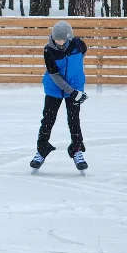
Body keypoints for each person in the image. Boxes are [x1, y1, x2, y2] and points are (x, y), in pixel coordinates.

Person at [31, 20, 88, 172]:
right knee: (48, 119)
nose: (59, 42)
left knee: (74, 120)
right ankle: (42, 149)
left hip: (75, 86)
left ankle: (77, 150)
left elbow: (81, 56)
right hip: (54, 88)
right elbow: (55, 76)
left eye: (63, 39)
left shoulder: (79, 45)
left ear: (69, 38)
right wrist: (72, 92)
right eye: (57, 39)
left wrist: (76, 87)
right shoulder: (48, 51)